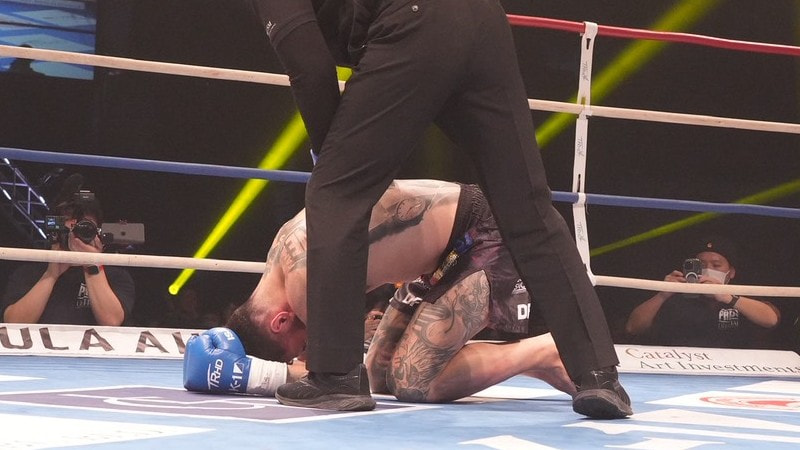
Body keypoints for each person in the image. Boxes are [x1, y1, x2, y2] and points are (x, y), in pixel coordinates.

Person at [247, 0, 631, 417]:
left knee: (335, 193)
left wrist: (333, 158)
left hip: (414, 21)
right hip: (483, 21)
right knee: (527, 206)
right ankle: (599, 375)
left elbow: (311, 69)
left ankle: (335, 375)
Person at [183, 180, 580, 407]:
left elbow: (340, 379)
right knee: (379, 374)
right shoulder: (282, 254)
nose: (301, 354)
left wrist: (253, 375)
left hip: (482, 234)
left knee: (414, 380)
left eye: (294, 349)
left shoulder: (305, 279)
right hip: (439, 255)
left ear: (280, 321)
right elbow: (361, 377)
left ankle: (544, 349)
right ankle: (531, 363)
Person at [1, 184, 135, 326]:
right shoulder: (30, 272)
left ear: (96, 234)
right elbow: (13, 323)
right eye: (71, 229)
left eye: (84, 229)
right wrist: (51, 274)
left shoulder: (116, 275)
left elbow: (111, 321)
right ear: (57, 232)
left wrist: (93, 264)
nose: (76, 237)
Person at [625, 235, 781, 348]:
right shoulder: (676, 295)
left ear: (731, 272)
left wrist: (727, 297)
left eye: (716, 265)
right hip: (680, 365)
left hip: (731, 368)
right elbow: (633, 327)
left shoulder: (739, 296)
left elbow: (771, 319)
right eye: (702, 265)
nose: (708, 270)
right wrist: (663, 294)